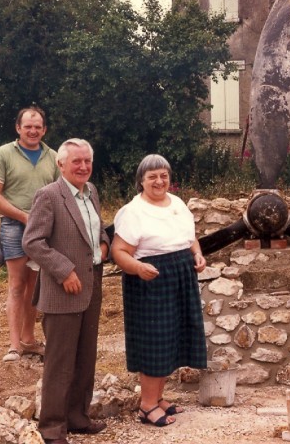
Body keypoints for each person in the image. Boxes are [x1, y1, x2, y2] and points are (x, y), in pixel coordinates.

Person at [22, 138, 109, 444]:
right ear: (61, 164)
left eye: (87, 161)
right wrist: (63, 270)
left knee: (85, 358)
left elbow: (96, 230)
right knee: (60, 363)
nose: (83, 167)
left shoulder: (92, 192)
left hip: (91, 287)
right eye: (76, 162)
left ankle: (77, 417)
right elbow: (32, 242)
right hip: (63, 290)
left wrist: (103, 244)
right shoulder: (48, 196)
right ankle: (52, 427)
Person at [111, 154, 207, 427]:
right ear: (141, 180)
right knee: (156, 340)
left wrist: (197, 255)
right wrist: (138, 268)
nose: (159, 180)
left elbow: (190, 238)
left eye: (163, 175)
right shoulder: (133, 211)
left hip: (180, 275)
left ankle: (157, 397)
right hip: (151, 280)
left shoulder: (176, 203)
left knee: (173, 338)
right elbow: (118, 251)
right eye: (152, 176)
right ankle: (147, 405)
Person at [0, 106, 60, 362]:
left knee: (35, 286)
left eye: (37, 126)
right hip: (14, 226)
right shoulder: (3, 154)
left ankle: (29, 341)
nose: (33, 130)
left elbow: (62, 192)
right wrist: (23, 217)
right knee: (17, 285)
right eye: (28, 126)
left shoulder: (53, 156)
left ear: (44, 129)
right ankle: (14, 347)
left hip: (45, 227)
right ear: (18, 128)